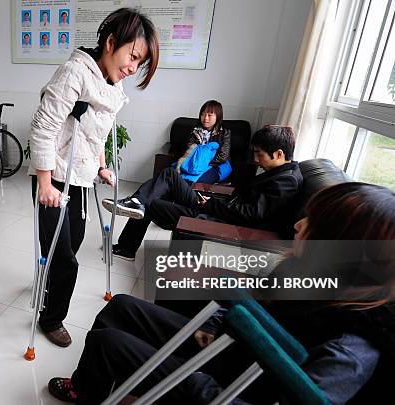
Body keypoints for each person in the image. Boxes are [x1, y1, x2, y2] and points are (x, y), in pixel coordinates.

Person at [47, 182, 395, 404]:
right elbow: (252, 306)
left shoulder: (353, 348)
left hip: (226, 388)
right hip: (226, 350)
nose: (298, 225)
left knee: (109, 343)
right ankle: (89, 389)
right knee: (121, 307)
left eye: (313, 225)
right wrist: (214, 326)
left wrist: (197, 381)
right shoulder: (308, 274)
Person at [28, 8, 159, 348]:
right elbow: (44, 126)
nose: (132, 68)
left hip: (81, 178)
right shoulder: (75, 73)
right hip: (54, 176)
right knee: (64, 257)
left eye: (139, 63)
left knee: (72, 242)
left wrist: (101, 165)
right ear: (111, 42)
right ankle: (52, 317)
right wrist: (44, 182)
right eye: (132, 56)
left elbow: (96, 135)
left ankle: (47, 278)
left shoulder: (112, 86)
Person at [107, 125, 302, 261]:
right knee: (168, 175)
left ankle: (128, 244)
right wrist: (214, 199)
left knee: (153, 203)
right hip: (216, 206)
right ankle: (136, 201)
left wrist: (210, 203)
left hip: (217, 219)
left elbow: (250, 215)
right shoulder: (281, 173)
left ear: (279, 154)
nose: (256, 159)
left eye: (259, 154)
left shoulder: (286, 182)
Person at [102, 99, 231, 221]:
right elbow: (188, 152)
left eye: (209, 115)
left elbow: (222, 156)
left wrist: (203, 161)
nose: (205, 118)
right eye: (203, 114)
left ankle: (140, 202)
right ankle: (137, 201)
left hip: (211, 168)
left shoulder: (224, 133)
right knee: (155, 182)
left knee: (167, 177)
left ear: (218, 117)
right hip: (190, 166)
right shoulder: (196, 131)